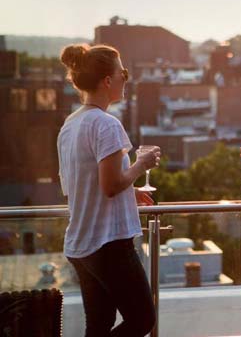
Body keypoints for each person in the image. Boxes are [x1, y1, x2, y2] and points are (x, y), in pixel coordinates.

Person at [57, 43, 160, 337]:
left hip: (80, 243)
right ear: (107, 81)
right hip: (108, 243)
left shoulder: (71, 124)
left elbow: (78, 184)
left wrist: (131, 191)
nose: (126, 79)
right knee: (142, 319)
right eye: (123, 73)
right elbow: (111, 185)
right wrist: (142, 164)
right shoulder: (106, 125)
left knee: (99, 326)